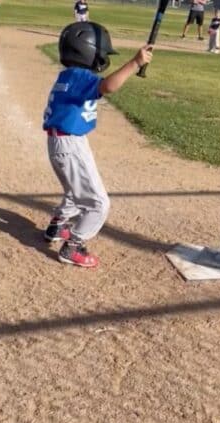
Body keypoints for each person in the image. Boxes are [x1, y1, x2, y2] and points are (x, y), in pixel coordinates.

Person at [42, 22, 153, 268]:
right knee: (98, 203)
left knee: (73, 191)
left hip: (59, 143)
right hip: (70, 144)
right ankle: (73, 246)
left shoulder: (67, 75)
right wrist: (135, 63)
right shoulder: (81, 76)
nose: (102, 57)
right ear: (87, 52)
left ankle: (57, 226)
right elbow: (108, 86)